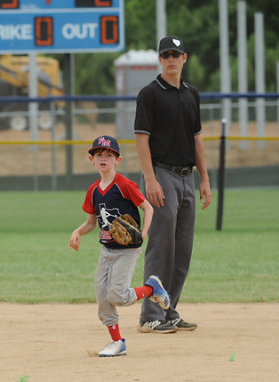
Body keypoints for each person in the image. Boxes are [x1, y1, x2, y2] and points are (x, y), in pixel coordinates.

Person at [133, 36, 212, 334]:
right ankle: (150, 316)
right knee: (161, 246)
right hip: (161, 174)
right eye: (165, 54)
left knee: (182, 250)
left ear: (184, 58)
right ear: (160, 59)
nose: (171, 59)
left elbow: (197, 140)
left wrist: (204, 179)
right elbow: (142, 140)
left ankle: (168, 310)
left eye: (175, 54)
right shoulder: (149, 94)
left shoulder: (192, 94)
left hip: (187, 176)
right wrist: (150, 179)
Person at [69, 135, 171, 357]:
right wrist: (77, 232)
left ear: (118, 160)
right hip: (106, 251)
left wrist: (142, 234)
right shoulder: (93, 190)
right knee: (103, 299)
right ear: (91, 159)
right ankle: (117, 342)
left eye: (109, 155)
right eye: (99, 155)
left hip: (127, 250)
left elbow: (148, 208)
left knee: (117, 296)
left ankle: (152, 288)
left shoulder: (124, 185)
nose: (103, 158)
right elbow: (91, 223)